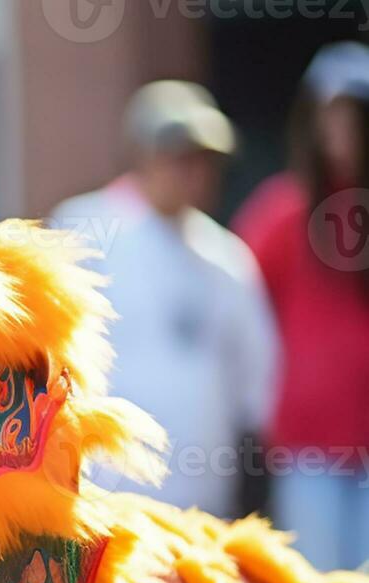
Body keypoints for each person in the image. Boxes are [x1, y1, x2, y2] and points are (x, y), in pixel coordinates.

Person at [51, 80, 280, 519]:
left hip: (205, 506)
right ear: (143, 154)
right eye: (180, 156)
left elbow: (258, 383)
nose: (193, 172)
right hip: (107, 500)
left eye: (204, 160)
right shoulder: (86, 228)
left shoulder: (227, 257)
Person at [234, 43, 369, 571]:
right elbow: (236, 303)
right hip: (308, 453)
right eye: (328, 117)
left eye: (353, 118)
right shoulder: (282, 212)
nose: (339, 133)